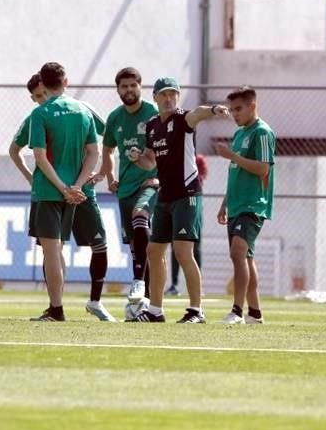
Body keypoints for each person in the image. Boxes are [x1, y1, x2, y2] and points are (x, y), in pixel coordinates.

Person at [127, 77, 228, 323]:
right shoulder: (152, 125)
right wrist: (137, 158)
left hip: (187, 194)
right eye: (164, 94)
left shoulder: (183, 119)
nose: (169, 98)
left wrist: (214, 109)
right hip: (165, 196)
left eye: (173, 93)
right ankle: (155, 310)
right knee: (154, 250)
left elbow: (199, 114)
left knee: (183, 252)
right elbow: (151, 160)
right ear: (156, 98)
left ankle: (196, 311)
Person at [27, 62, 99, 322]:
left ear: (43, 85)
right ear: (66, 81)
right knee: (58, 251)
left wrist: (62, 187)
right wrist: (77, 186)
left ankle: (56, 308)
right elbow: (94, 153)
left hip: (49, 190)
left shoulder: (41, 113)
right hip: (74, 193)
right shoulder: (83, 110)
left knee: (51, 251)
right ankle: (55, 306)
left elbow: (39, 157)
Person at [97, 67, 159, 319]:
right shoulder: (115, 118)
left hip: (151, 181)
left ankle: (138, 282)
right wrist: (110, 177)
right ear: (118, 90)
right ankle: (147, 305)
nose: (129, 90)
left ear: (140, 87)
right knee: (137, 246)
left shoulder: (152, 113)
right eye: (124, 86)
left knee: (140, 217)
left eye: (133, 85)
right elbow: (108, 148)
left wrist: (146, 159)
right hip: (126, 187)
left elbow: (159, 150)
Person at [215, 86, 275, 325]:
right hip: (237, 204)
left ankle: (237, 311)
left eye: (238, 109)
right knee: (246, 258)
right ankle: (255, 313)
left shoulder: (262, 132)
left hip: (253, 204)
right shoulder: (240, 134)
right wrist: (224, 203)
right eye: (231, 110)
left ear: (253, 105)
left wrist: (232, 156)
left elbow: (263, 168)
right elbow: (235, 172)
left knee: (237, 253)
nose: (234, 114)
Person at [168, 153, 208, 296]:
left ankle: (198, 285)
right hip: (175, 202)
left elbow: (200, 179)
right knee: (175, 246)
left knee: (195, 247)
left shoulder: (199, 159)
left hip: (192, 203)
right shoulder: (174, 155)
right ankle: (174, 284)